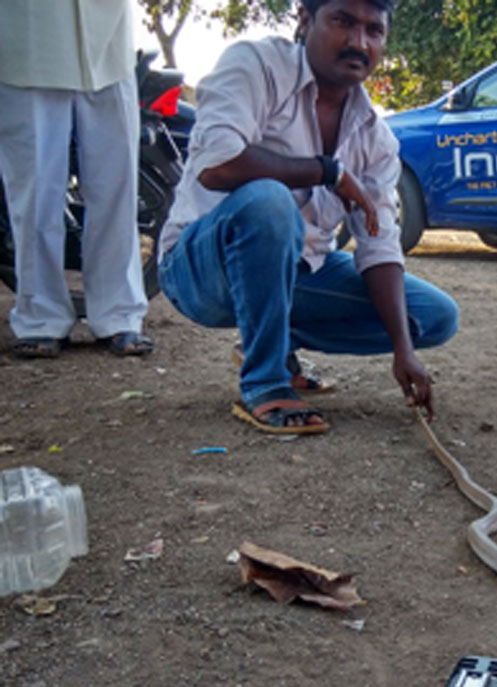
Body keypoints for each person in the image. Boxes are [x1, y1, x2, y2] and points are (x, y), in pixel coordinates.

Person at [158, 0, 459, 435]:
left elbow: (380, 245)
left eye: (374, 30)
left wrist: (402, 350)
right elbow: (218, 165)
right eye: (343, 21)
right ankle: (265, 381)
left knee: (432, 317)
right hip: (201, 271)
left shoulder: (376, 138)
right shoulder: (256, 65)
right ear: (305, 19)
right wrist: (327, 171)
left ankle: (275, 343)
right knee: (268, 200)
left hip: (299, 274)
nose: (359, 42)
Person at [0, 0, 154, 358]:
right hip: (28, 42)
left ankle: (120, 316)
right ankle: (41, 318)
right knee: (35, 194)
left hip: (109, 43)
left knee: (117, 188)